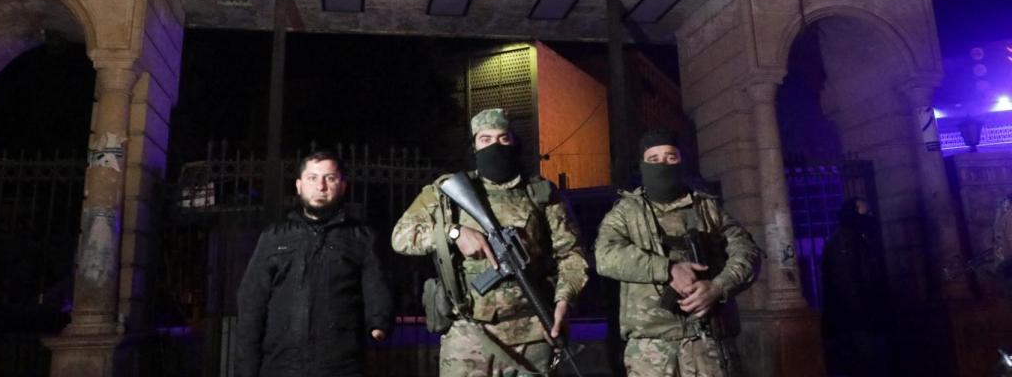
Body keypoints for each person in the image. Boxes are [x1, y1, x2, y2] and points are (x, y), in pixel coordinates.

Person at [392, 108, 589, 376]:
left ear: (514, 142)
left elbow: (572, 255)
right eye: (485, 139)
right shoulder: (447, 192)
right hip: (468, 333)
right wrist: (454, 233)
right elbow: (401, 237)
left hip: (531, 331)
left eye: (503, 138)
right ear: (474, 146)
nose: (494, 146)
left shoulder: (540, 193)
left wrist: (563, 302)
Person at [595, 129, 760, 377]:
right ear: (642, 165)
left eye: (671, 157)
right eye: (654, 159)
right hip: (651, 350)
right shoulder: (626, 212)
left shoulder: (707, 208)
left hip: (708, 344)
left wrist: (718, 287)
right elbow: (605, 256)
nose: (663, 164)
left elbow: (747, 251)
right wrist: (668, 269)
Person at [235, 151, 393, 377]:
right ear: (299, 186)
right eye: (312, 178)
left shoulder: (361, 237)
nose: (321, 186)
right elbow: (251, 302)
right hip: (281, 366)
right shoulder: (274, 237)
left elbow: (377, 285)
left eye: (330, 178)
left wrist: (379, 321)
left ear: (343, 186)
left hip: (341, 366)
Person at [820, 197, 890, 377]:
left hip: (860, 321)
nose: (870, 216)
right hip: (856, 323)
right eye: (866, 212)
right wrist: (866, 315)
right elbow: (846, 284)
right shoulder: (845, 243)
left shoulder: (858, 240)